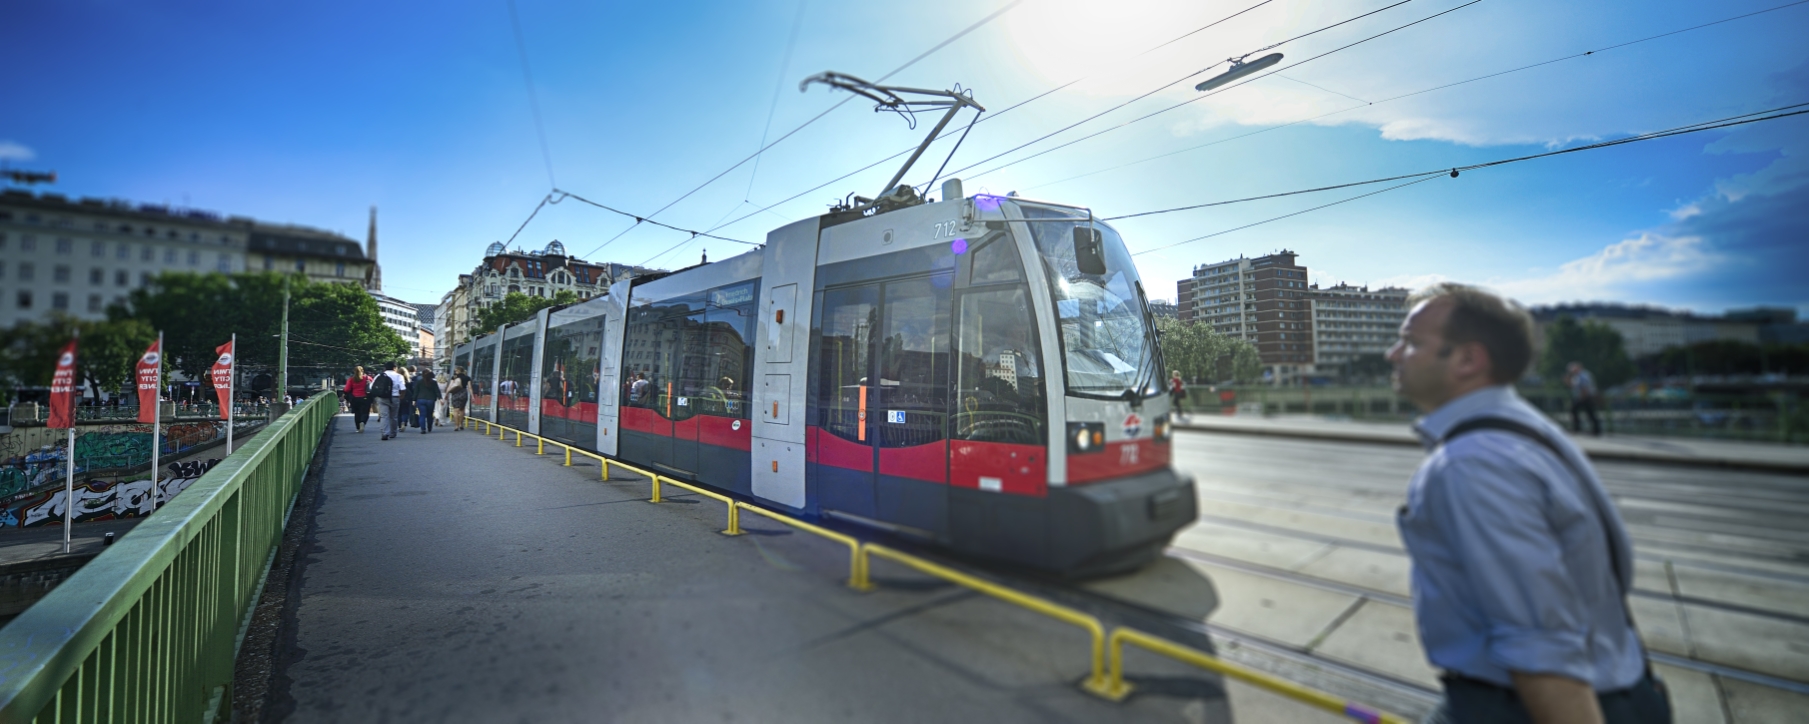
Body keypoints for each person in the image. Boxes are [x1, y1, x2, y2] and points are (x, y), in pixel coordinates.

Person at [1387, 283, 1668, 724]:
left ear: (1467, 359)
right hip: (1619, 686)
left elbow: (1541, 646)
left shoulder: (1472, 463)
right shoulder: (1529, 429)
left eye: (1411, 342)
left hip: (1527, 706)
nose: (1394, 354)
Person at [1566, 362, 1602, 437]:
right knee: (1590, 413)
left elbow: (1584, 388)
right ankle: (1596, 430)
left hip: (1585, 397)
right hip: (1585, 396)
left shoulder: (1582, 375)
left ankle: (1578, 428)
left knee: (1576, 410)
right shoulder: (1580, 375)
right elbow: (1574, 387)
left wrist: (1582, 398)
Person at [373, 362, 407, 440]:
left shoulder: (379, 376)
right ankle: (393, 433)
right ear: (394, 368)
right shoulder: (399, 376)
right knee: (393, 416)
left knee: (384, 416)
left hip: (382, 398)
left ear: (385, 368)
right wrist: (401, 397)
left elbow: (372, 387)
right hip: (395, 397)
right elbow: (403, 388)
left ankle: (385, 433)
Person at [343, 366, 373, 433]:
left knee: (357, 413)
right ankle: (363, 422)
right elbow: (372, 387)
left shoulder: (351, 379)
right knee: (365, 412)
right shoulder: (368, 378)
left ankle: (358, 427)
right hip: (366, 398)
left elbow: (347, 389)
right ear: (363, 371)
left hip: (355, 398)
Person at [447, 366, 472, 431]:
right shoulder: (467, 378)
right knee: (462, 409)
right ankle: (461, 424)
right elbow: (469, 387)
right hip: (463, 393)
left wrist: (446, 394)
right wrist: (472, 396)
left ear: (457, 371)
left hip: (455, 393)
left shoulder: (454, 377)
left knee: (455, 410)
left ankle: (456, 425)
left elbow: (450, 386)